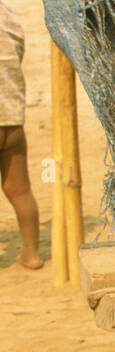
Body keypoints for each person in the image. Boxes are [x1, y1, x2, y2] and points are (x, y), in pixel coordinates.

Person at [0, 1, 41, 269]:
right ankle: (31, 254)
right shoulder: (7, 16)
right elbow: (19, 50)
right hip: (11, 117)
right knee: (20, 189)